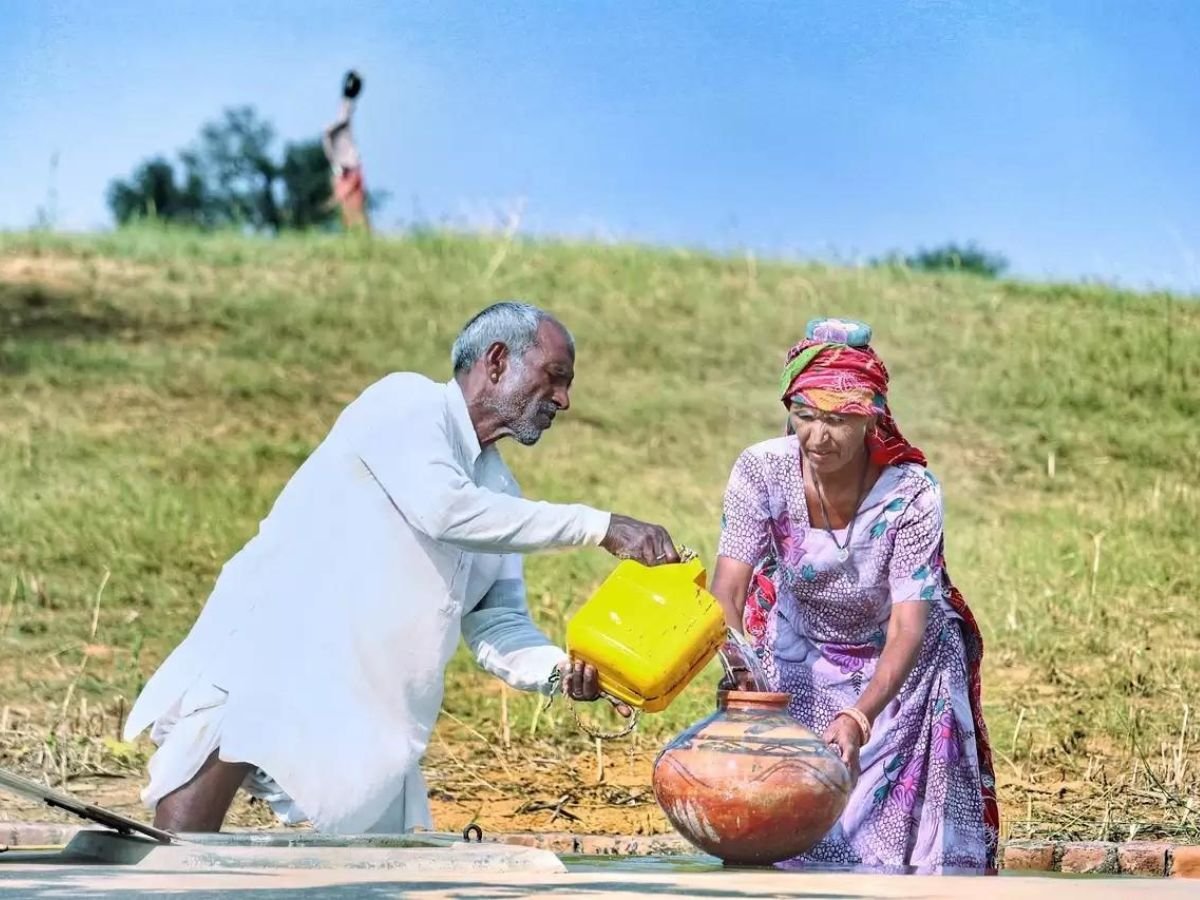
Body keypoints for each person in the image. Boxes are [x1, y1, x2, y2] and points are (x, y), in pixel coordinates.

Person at [123, 301, 679, 834]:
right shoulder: (405, 404)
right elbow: (444, 509)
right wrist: (600, 525)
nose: (564, 398)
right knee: (182, 850)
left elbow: (496, 622)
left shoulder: (501, 492)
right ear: (497, 361)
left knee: (386, 869)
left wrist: (562, 672)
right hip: (274, 654)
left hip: (372, 712)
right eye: (555, 376)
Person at [709, 317, 998, 871]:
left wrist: (860, 716)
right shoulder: (761, 470)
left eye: (840, 420)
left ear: (872, 417)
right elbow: (727, 590)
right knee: (789, 825)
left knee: (893, 851)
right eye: (805, 416)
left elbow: (909, 625)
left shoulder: (911, 493)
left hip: (905, 672)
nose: (819, 436)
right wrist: (740, 673)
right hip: (797, 652)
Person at [322, 70, 369, 231]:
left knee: (353, 207)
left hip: (349, 167)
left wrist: (329, 129)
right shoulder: (345, 104)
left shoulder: (346, 106)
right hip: (344, 167)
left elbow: (343, 120)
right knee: (347, 209)